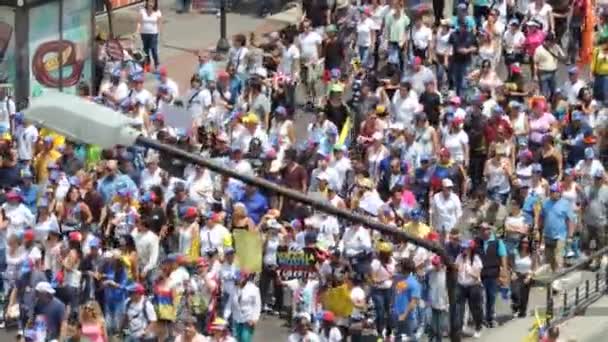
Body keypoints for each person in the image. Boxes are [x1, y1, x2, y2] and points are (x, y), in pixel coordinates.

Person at [541, 183, 576, 273]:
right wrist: (540, 233)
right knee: (549, 258)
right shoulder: (546, 203)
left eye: (556, 192)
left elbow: (570, 220)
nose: (554, 193)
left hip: (560, 235)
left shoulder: (565, 203)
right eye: (552, 192)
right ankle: (553, 276)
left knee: (558, 257)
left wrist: (570, 236)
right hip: (548, 235)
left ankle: (558, 275)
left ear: (560, 192)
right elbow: (542, 218)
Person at [455, 240, 483, 338]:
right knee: (459, 308)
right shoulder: (459, 257)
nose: (464, 250)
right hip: (461, 285)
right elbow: (455, 268)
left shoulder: (476, 259)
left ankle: (478, 327)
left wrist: (469, 271)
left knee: (475, 308)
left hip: (473, 286)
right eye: (463, 248)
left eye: (466, 248)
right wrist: (457, 269)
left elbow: (477, 276)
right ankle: (460, 328)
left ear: (471, 249)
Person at [224, 270, 261, 342]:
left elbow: (257, 305)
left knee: (245, 339)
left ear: (245, 278)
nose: (237, 280)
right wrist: (225, 317)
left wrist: (255, 318)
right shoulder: (234, 289)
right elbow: (229, 304)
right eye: (236, 279)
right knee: (237, 339)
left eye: (239, 279)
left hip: (248, 319)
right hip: (236, 319)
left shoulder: (253, 289)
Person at [391, 257, 421, 341]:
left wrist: (404, 315)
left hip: (408, 317)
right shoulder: (397, 278)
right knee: (398, 338)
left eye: (400, 265)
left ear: (404, 268)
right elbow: (394, 294)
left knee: (409, 338)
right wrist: (392, 308)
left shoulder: (413, 283)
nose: (398, 267)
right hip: (397, 314)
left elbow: (413, 302)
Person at [137, 0, 162, 72]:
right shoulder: (142, 10)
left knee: (154, 50)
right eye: (149, 2)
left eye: (153, 2)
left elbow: (160, 23)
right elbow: (139, 22)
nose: (151, 4)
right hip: (144, 33)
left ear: (155, 4)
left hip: (153, 33)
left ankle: (157, 64)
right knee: (146, 50)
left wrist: (160, 34)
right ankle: (147, 64)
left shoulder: (157, 12)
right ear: (147, 2)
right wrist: (137, 31)